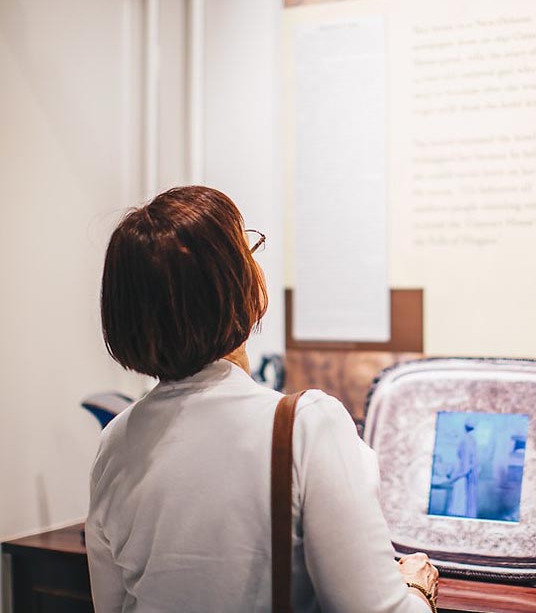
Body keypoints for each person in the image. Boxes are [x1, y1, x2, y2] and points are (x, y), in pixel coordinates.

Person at [87, 186, 439, 612]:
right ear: (234, 286)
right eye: (248, 250)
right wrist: (416, 587)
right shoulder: (307, 425)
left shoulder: (115, 443)